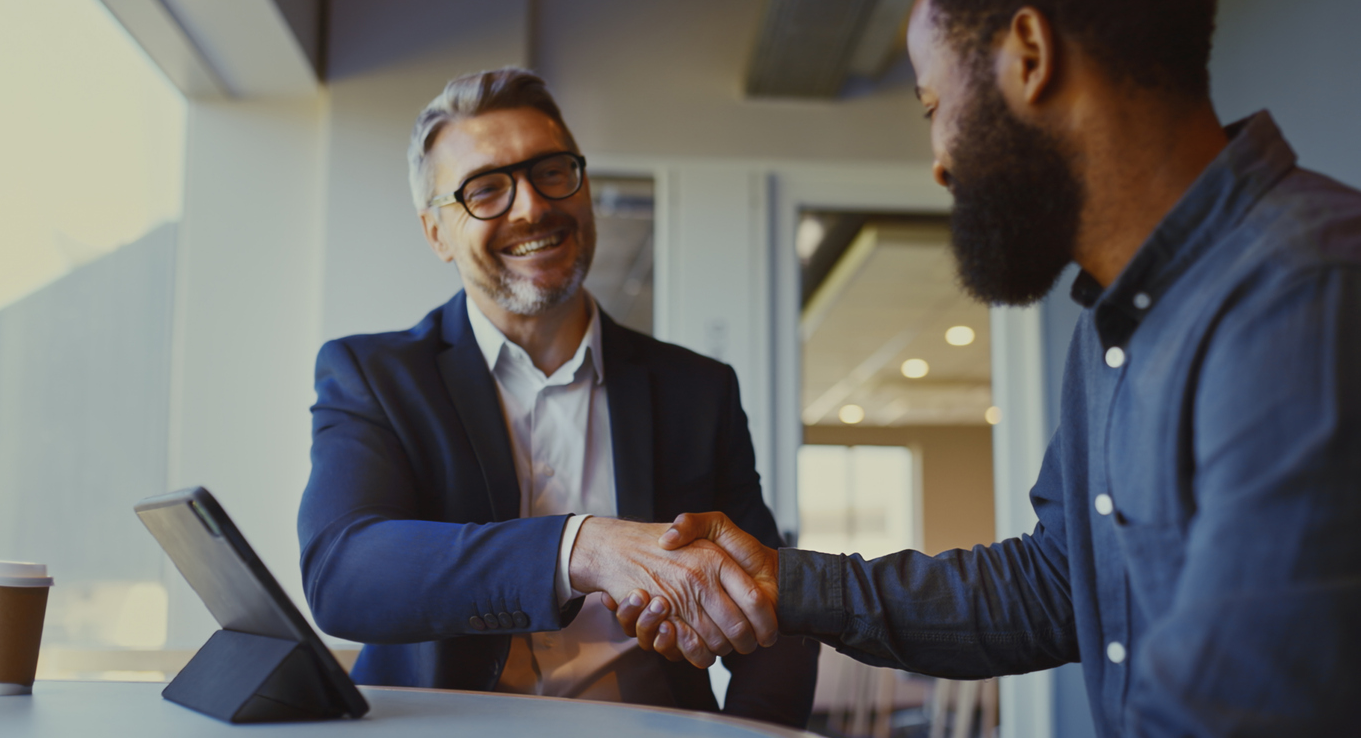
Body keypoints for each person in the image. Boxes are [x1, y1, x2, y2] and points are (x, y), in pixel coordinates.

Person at [615, 0, 1361, 734]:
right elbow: (1058, 585)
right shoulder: (1113, 325)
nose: (938, 162)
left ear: (1029, 56)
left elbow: (1240, 711)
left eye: (931, 105)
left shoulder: (1307, 288)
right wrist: (790, 586)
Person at [296, 67, 817, 727]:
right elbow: (345, 573)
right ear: (436, 233)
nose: (531, 207)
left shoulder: (698, 390)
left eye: (551, 172)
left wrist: (751, 732)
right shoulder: (372, 374)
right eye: (485, 189)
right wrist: (581, 548)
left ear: (584, 186)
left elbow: (772, 600)